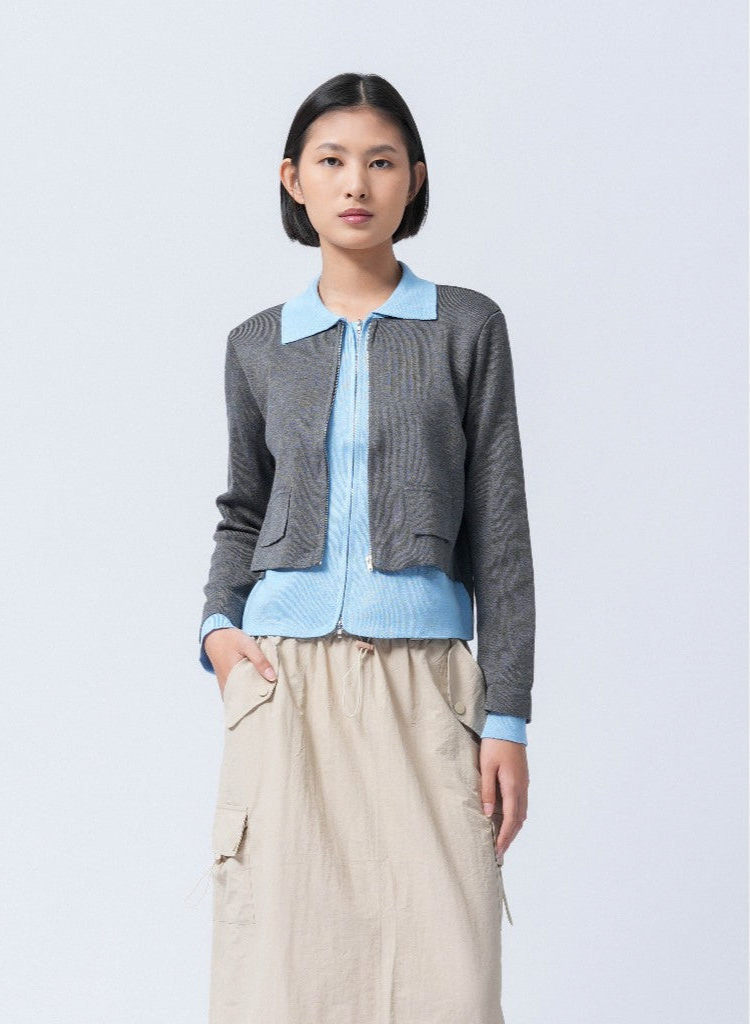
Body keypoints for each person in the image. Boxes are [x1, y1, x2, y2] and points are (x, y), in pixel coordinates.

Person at [197, 72, 535, 1024]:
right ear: (293, 180)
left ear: (413, 180)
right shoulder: (258, 345)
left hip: (427, 688)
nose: (356, 183)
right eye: (333, 161)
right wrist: (220, 632)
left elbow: (500, 529)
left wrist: (508, 717)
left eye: (381, 162)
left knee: (448, 979)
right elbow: (242, 509)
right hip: (286, 687)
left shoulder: (466, 327)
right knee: (282, 982)